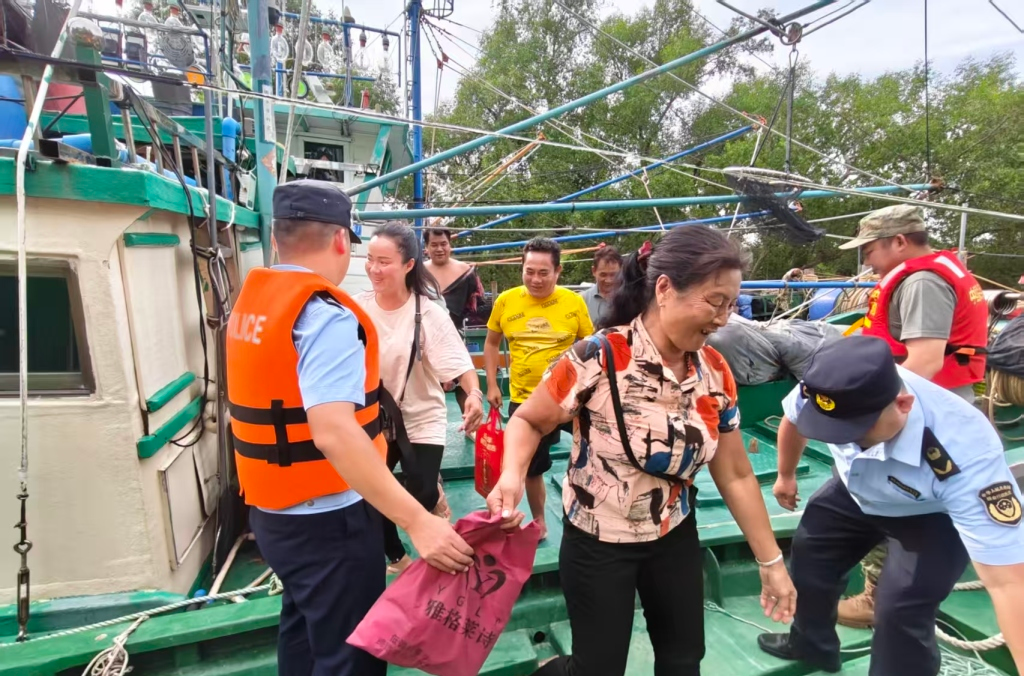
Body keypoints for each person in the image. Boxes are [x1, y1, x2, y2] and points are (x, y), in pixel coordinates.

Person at [488, 227, 797, 676]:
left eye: (731, 304)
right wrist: (512, 475)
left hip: (672, 534)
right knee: (597, 668)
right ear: (666, 289)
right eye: (715, 301)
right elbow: (530, 419)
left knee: (683, 659)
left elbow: (735, 474)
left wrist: (771, 562)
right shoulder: (596, 357)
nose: (725, 318)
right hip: (598, 540)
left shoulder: (714, 371)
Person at [227, 180, 474, 676]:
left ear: (277, 239)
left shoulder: (254, 303)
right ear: (343, 240)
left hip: (272, 513)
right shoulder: (326, 315)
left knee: (300, 631)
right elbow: (335, 432)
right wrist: (418, 521)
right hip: (327, 522)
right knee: (351, 655)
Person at [762, 335, 1024, 676]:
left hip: (929, 513)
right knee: (810, 554)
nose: (843, 437)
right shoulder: (830, 387)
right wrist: (786, 475)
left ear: (903, 404)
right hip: (855, 486)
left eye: (855, 431)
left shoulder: (965, 450)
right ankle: (812, 646)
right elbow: (794, 420)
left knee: (900, 608)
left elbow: (1009, 583)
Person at [831, 204, 990, 627]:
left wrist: (870, 410)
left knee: (899, 498)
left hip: (919, 409)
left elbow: (924, 360)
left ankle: (877, 598)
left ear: (899, 242)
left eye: (870, 249)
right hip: (923, 402)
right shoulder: (928, 274)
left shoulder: (921, 281)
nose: (865, 258)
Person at [354, 222, 485, 574]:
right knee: (372, 497)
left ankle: (433, 495)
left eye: (384, 262)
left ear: (409, 264)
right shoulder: (356, 309)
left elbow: (460, 365)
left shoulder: (428, 314)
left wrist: (473, 393)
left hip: (421, 414)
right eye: (370, 259)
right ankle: (398, 558)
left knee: (421, 494)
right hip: (376, 418)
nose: (373, 269)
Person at [484, 237, 594, 540]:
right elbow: (492, 344)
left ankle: (590, 513)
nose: (535, 279)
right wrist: (492, 384)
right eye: (529, 271)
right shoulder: (506, 301)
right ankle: (540, 520)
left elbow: (591, 347)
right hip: (525, 401)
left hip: (572, 400)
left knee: (592, 454)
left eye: (543, 272)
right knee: (531, 468)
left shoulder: (574, 303)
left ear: (558, 272)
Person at [423, 225, 486, 416]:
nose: (439, 249)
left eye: (443, 244)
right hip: (423, 335)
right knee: (425, 384)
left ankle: (470, 421)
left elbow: (478, 306)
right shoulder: (416, 272)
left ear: (450, 245)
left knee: (463, 380)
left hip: (456, 334)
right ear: (426, 248)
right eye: (434, 245)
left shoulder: (466, 271)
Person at [577, 243, 622, 325]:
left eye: (613, 275)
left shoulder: (630, 299)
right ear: (594, 271)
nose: (608, 280)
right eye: (603, 275)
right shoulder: (581, 300)